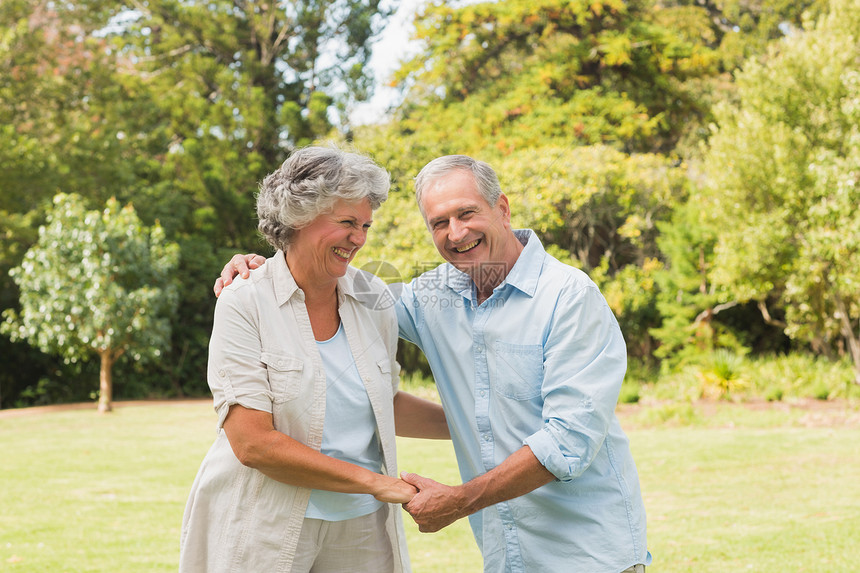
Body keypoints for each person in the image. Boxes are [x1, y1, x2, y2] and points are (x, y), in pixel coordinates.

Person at [216, 155, 650, 573]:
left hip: (590, 554)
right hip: (504, 552)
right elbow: (333, 294)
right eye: (439, 222)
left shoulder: (568, 298)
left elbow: (569, 441)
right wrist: (263, 267)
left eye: (467, 213)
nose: (456, 233)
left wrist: (461, 499)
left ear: (502, 208)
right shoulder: (433, 296)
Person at [181, 146, 449, 573]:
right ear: (298, 217)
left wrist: (472, 424)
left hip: (362, 529)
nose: (359, 238)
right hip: (266, 523)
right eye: (346, 223)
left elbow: (385, 403)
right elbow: (253, 444)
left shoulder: (374, 297)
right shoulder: (245, 300)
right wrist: (378, 483)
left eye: (364, 225)